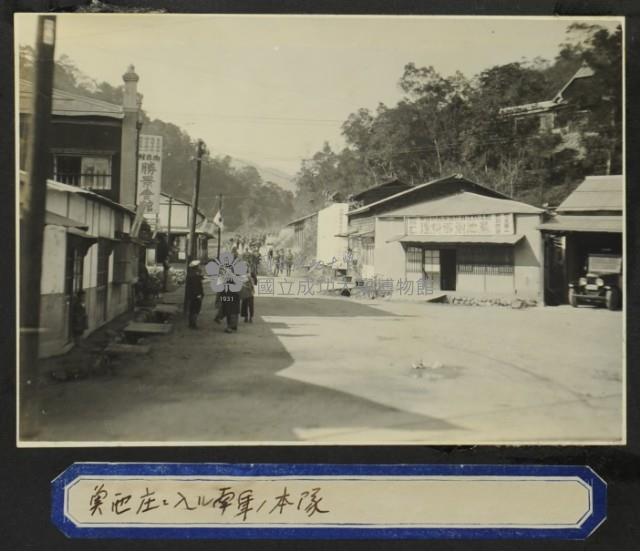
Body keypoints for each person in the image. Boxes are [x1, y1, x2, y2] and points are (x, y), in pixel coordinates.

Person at [185, 260, 204, 329]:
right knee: (196, 309)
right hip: (196, 295)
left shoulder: (191, 274)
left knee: (192, 309)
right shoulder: (195, 275)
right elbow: (196, 286)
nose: (199, 267)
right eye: (198, 266)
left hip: (191, 295)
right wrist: (198, 294)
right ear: (196, 267)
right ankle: (193, 324)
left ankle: (191, 323)